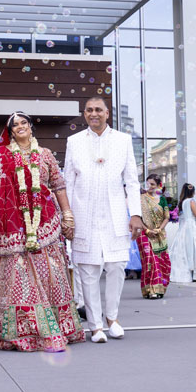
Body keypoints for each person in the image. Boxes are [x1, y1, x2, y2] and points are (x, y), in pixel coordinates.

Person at [0, 112, 84, 351]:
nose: (20, 126)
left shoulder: (45, 155)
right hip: (8, 221)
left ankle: (48, 326)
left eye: (23, 123)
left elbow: (59, 186)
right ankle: (12, 328)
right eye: (14, 124)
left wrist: (68, 216)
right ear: (10, 131)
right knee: (13, 271)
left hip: (45, 222)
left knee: (47, 269)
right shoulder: (0, 156)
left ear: (31, 127)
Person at [64, 96, 143, 344]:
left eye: (98, 109)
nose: (94, 113)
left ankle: (113, 319)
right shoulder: (74, 141)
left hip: (114, 214)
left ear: (107, 113)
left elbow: (131, 180)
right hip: (83, 214)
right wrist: (66, 216)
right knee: (88, 270)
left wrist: (136, 214)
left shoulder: (123, 140)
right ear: (84, 114)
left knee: (117, 266)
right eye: (89, 110)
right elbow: (67, 181)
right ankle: (95, 325)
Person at [136, 174, 171, 298]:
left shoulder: (162, 199)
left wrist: (159, 229)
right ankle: (150, 290)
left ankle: (158, 289)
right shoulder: (141, 199)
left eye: (152, 184)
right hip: (144, 234)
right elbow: (137, 218)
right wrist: (147, 231)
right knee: (150, 260)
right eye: (147, 183)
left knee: (163, 261)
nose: (149, 186)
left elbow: (167, 217)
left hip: (158, 234)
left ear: (158, 186)